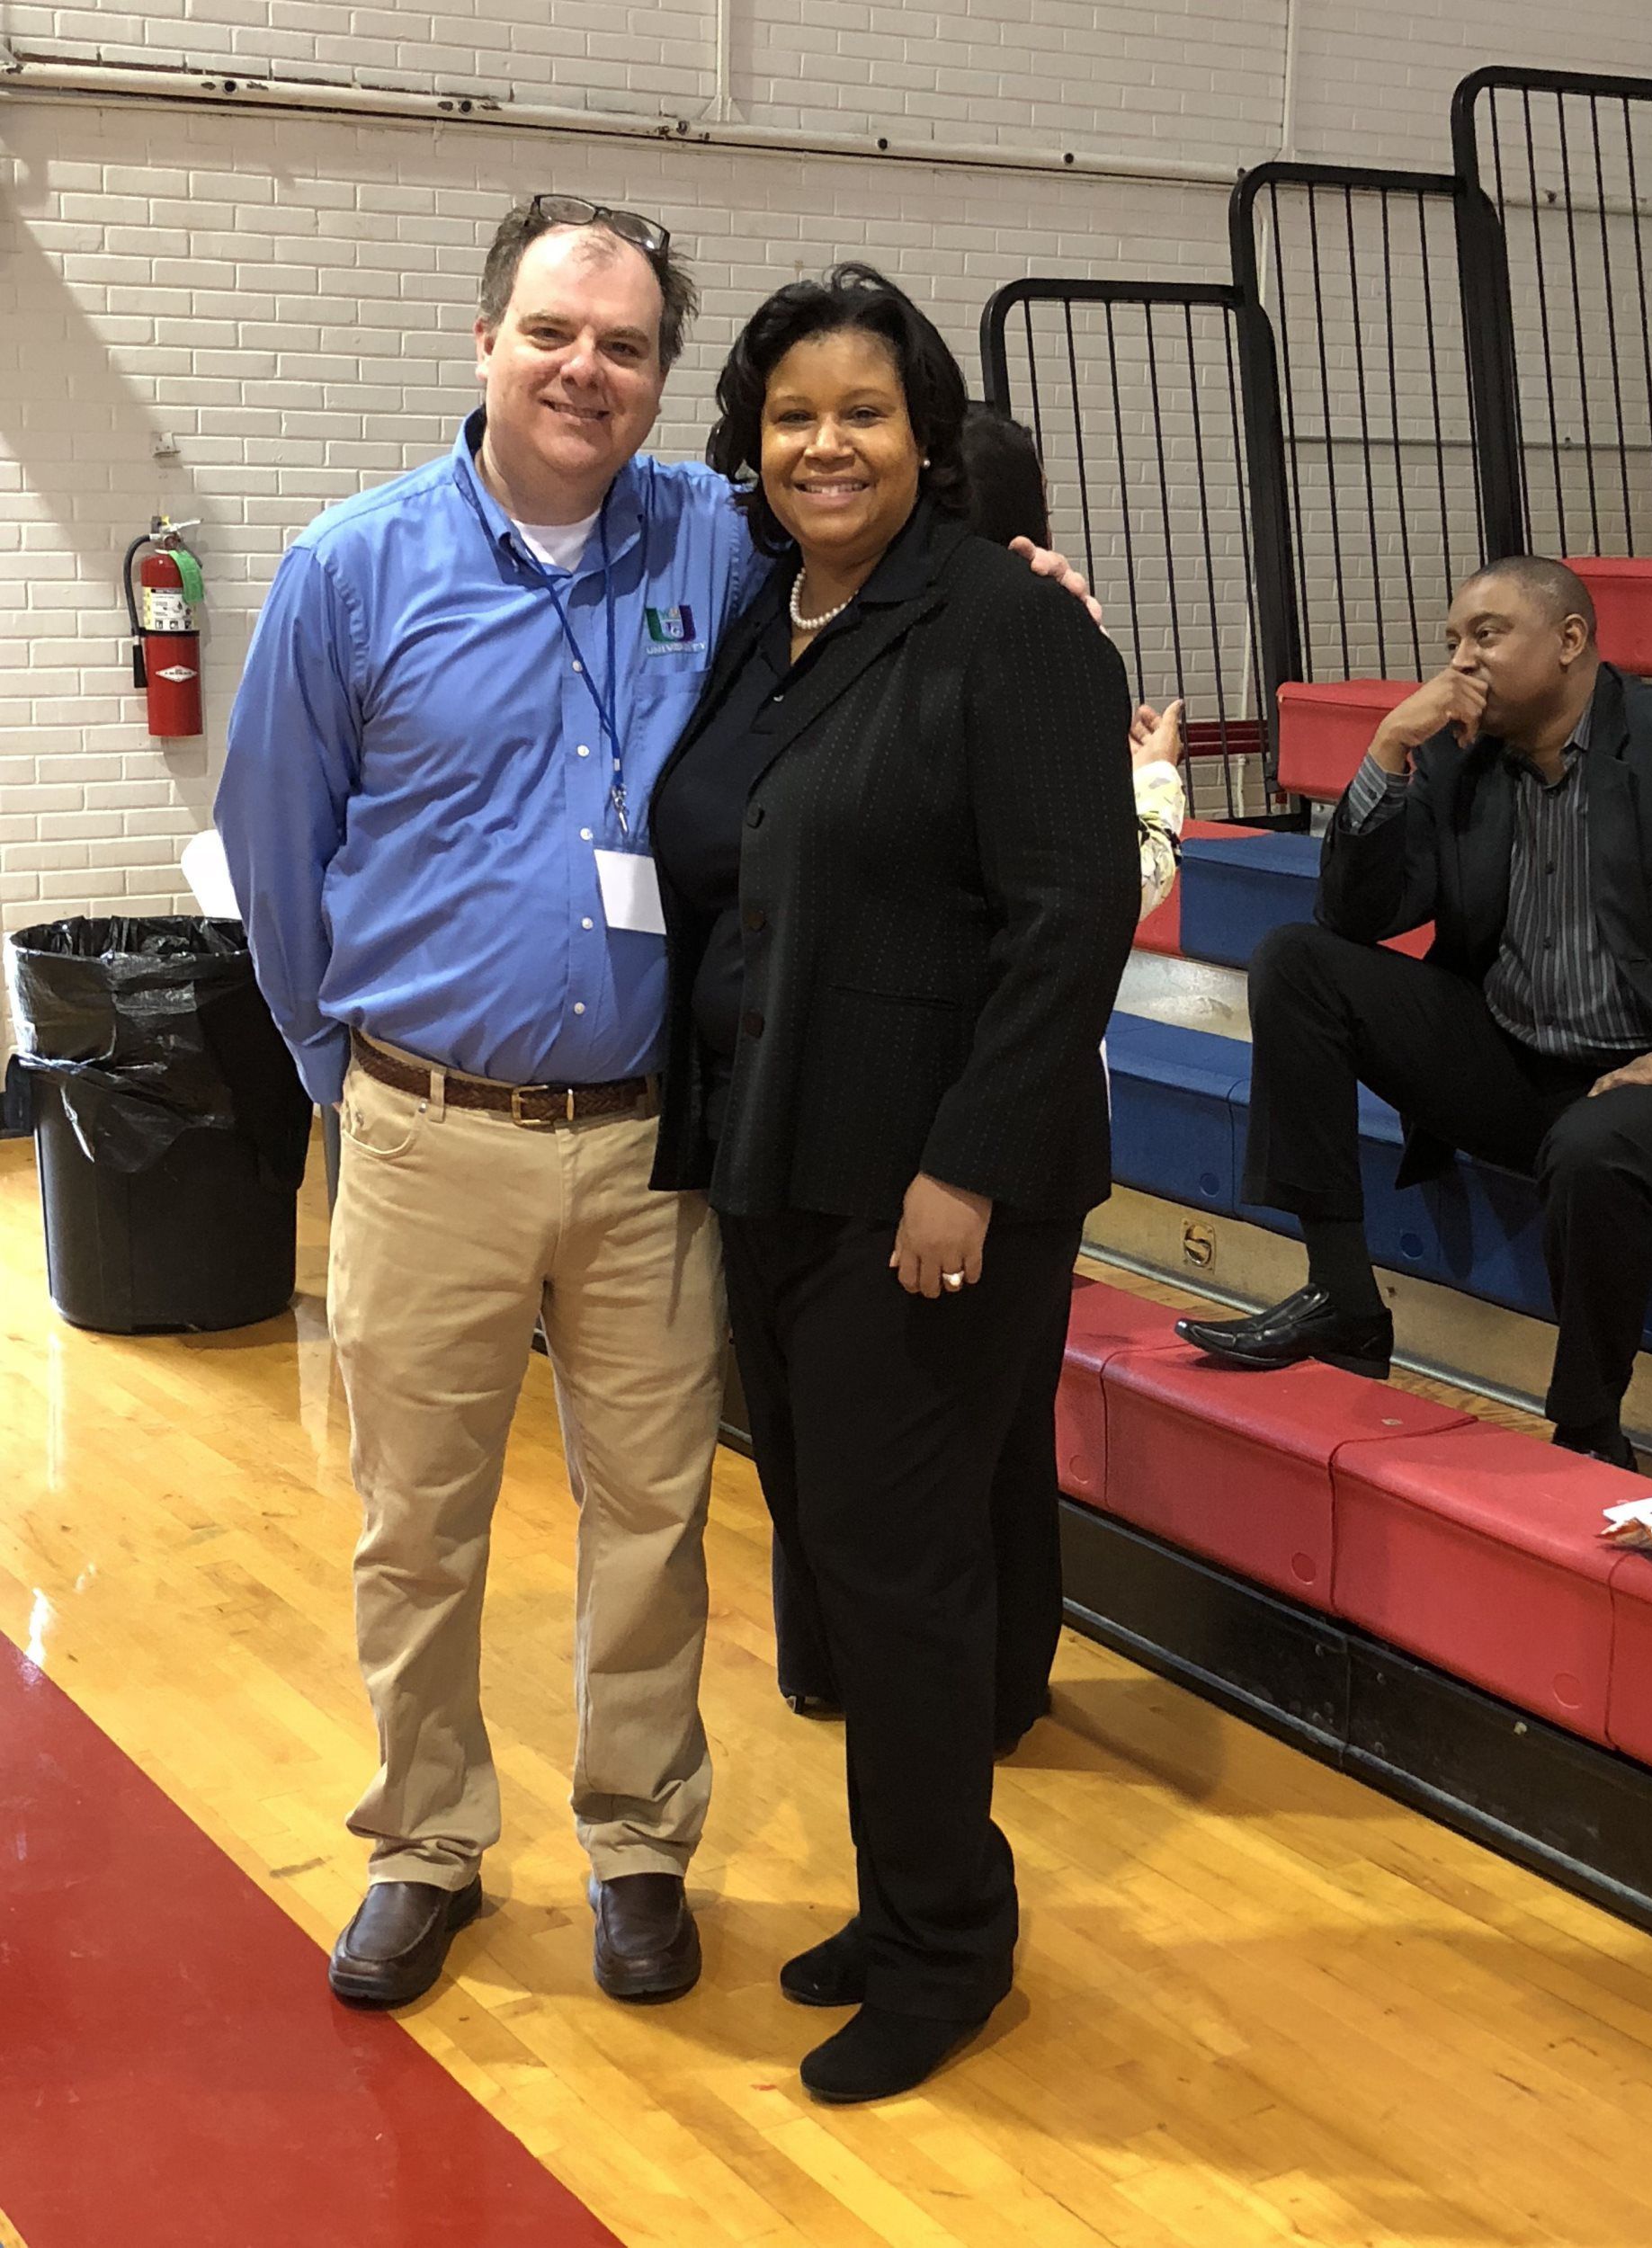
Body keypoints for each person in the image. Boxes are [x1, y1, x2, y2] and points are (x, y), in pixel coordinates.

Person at [216, 197, 1097, 2013]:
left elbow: (902, 556)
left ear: (659, 380)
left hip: (648, 1140)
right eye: (552, 332)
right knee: (418, 1521)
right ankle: (423, 1842)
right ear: (484, 340)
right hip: (424, 1121)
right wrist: (344, 1085)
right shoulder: (349, 568)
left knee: (654, 1517)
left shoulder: (718, 535)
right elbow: (271, 852)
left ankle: (637, 1841)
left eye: (622, 347)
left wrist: (1030, 579)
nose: (583, 371)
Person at [648, 265, 1139, 2101]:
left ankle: (949, 1946)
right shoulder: (766, 618)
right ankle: (905, 1887)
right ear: (751, 443)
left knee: (905, 1578)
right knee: (847, 1570)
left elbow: (1069, 914)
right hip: (772, 1160)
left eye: (860, 410)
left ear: (925, 436)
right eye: (791, 415)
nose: (823, 442)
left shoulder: (1008, 632)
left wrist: (966, 1169)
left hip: (926, 1194)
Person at [769, 400, 1186, 1750]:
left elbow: (1092, 894)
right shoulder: (839, 626)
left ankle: (983, 1690)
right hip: (871, 1101)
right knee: (912, 1439)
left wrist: (971, 1158)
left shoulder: (1030, 635)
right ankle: (866, 1665)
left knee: (977, 1436)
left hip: (996, 1112)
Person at [1176, 557, 1652, 1470]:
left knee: (1596, 1143)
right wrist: (1382, 754)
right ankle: (1343, 1298)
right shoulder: (1460, 761)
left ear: (1571, 640)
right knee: (1297, 962)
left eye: (1487, 634)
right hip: (1513, 1059)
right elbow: (1355, 917)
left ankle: (1588, 1427)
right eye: (1450, 642)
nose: (1461, 660)